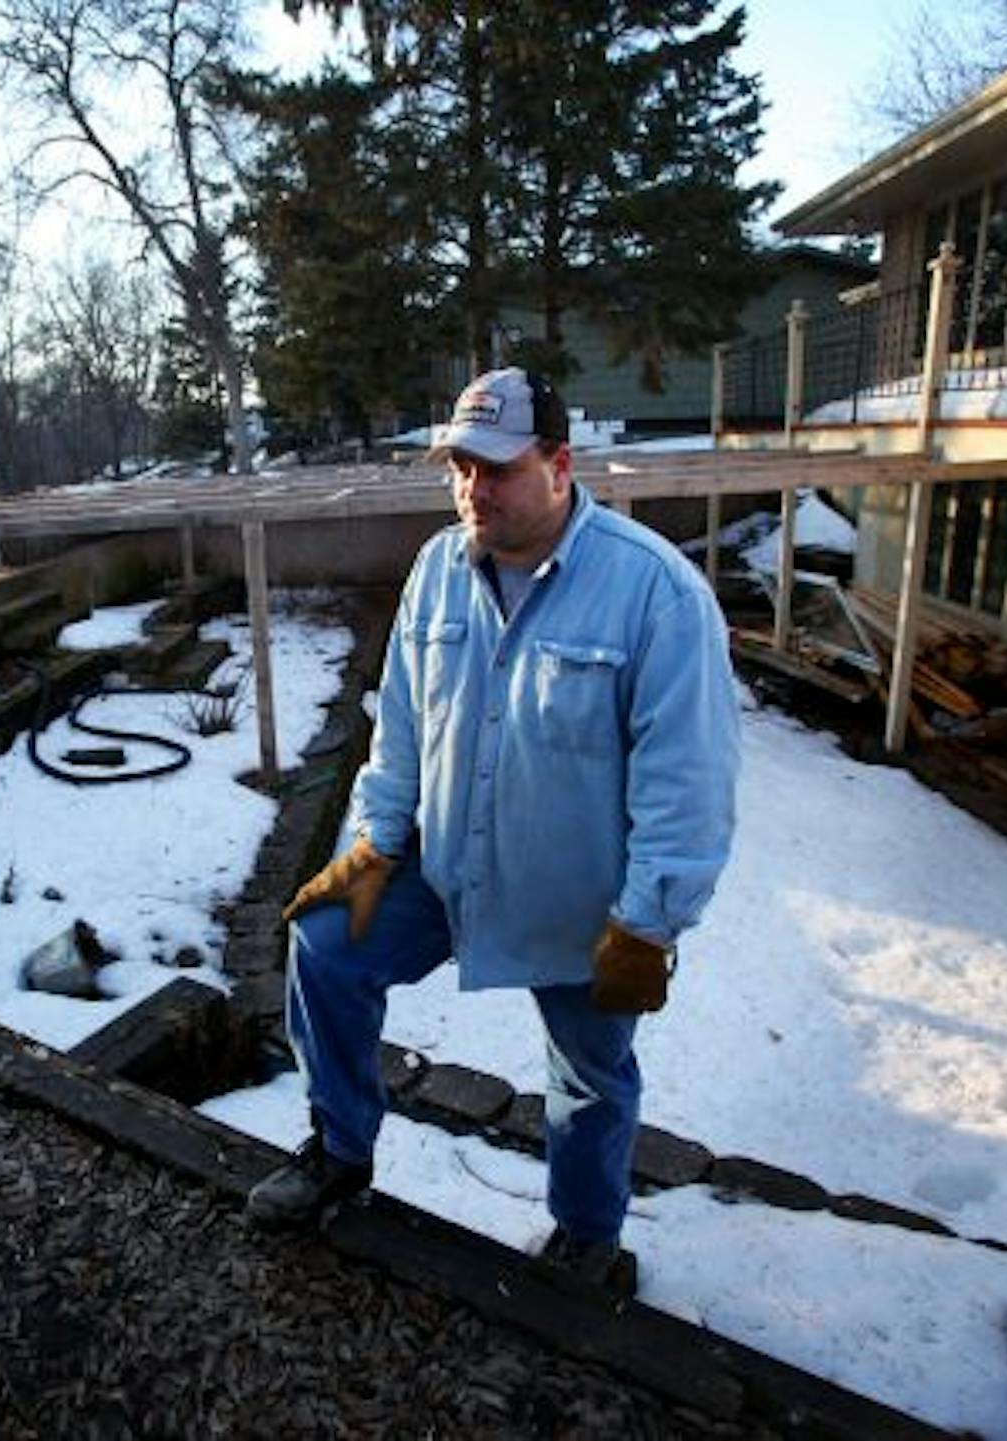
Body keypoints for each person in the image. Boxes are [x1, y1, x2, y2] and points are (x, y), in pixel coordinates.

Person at [244, 366, 741, 1294]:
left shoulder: (654, 595)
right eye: (459, 467)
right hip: (444, 865)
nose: (473, 487)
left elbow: (690, 784)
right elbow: (399, 723)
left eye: (497, 468)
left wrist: (648, 923)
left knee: (589, 1076)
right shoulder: (438, 570)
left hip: (577, 898)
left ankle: (588, 1236)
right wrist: (368, 846)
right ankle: (339, 1148)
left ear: (560, 463)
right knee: (324, 949)